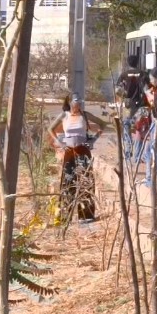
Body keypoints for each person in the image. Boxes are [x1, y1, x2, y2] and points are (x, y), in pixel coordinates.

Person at [48, 94, 102, 223]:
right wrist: (60, 143)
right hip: (69, 152)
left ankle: (86, 215)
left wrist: (93, 139)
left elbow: (102, 125)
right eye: (76, 101)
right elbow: (50, 129)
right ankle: (64, 215)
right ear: (70, 102)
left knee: (85, 181)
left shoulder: (84, 115)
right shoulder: (64, 115)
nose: (78, 104)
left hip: (83, 151)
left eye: (79, 102)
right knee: (68, 182)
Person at [116, 54, 148, 162]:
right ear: (137, 62)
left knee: (127, 129)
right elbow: (147, 89)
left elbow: (117, 90)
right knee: (139, 131)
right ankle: (137, 156)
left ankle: (128, 153)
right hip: (140, 107)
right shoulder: (143, 74)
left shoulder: (124, 75)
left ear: (128, 63)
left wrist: (124, 95)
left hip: (127, 107)